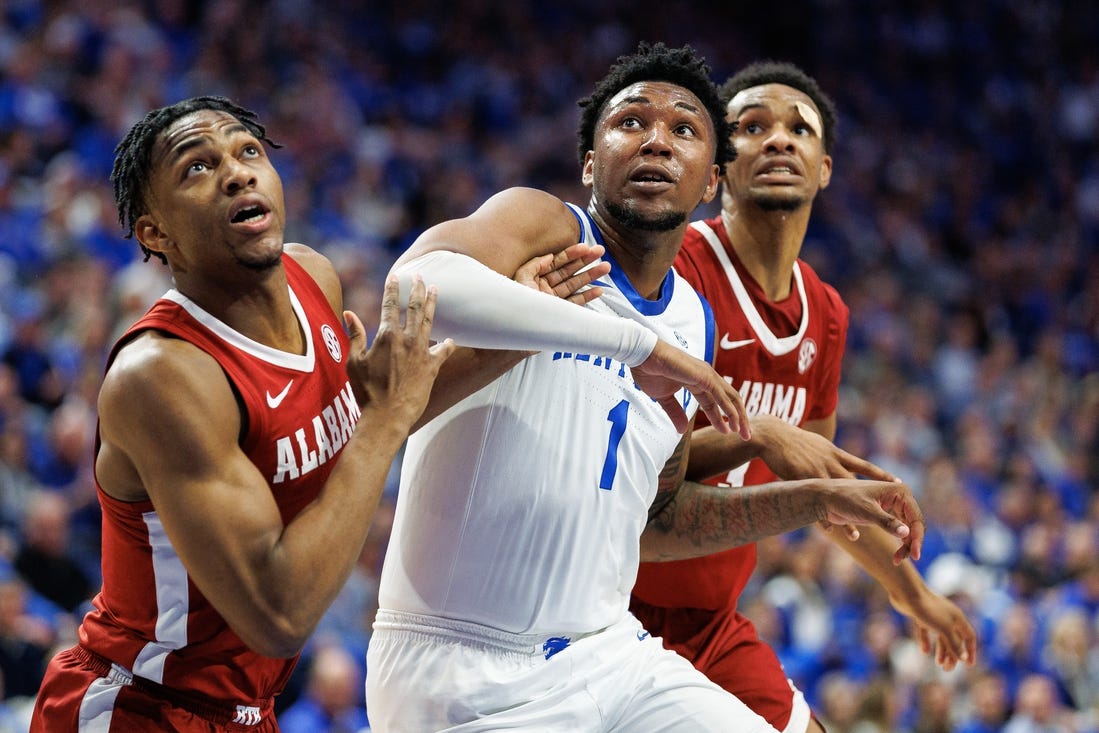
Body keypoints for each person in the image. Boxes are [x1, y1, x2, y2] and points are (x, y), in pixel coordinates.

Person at [365, 42, 924, 732]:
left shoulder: (693, 319)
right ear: (590, 163)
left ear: (711, 181)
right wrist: (636, 345)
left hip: (609, 654)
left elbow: (658, 522)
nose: (657, 139)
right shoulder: (542, 226)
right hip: (466, 667)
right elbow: (414, 290)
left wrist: (811, 499)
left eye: (684, 128)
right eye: (631, 122)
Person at [27, 96, 460, 732]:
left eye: (248, 150)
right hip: (138, 703)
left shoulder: (315, 279)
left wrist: (565, 319)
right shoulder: (163, 375)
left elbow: (400, 397)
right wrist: (380, 425)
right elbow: (278, 616)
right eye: (196, 168)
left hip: (248, 709)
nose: (237, 172)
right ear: (155, 233)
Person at [629, 60, 979, 733]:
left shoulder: (826, 314)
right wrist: (755, 430)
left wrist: (910, 593)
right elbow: (625, 462)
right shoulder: (674, 267)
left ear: (823, 166)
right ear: (714, 168)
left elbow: (817, 481)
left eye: (799, 129)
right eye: (752, 126)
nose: (779, 139)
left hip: (711, 622)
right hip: (608, 601)